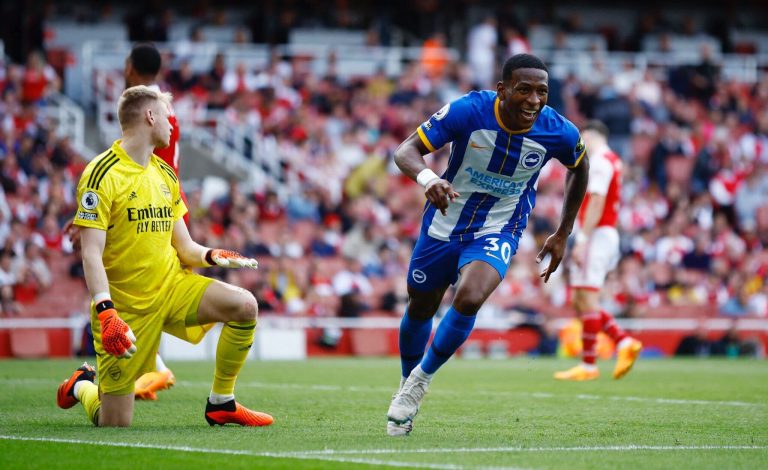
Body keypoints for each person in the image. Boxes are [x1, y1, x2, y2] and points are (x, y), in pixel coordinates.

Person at [386, 53, 589, 436]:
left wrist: (563, 232)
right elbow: (405, 150)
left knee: (470, 296)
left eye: (542, 92)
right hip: (444, 224)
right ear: (502, 89)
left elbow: (580, 168)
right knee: (421, 305)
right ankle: (405, 380)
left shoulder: (558, 131)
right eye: (524, 89)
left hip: (500, 228)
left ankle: (418, 384)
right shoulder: (469, 111)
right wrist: (429, 179)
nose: (533, 100)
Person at [56, 85, 273, 427]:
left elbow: (186, 249)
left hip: (171, 288)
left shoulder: (165, 173)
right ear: (150, 116)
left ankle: (222, 403)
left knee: (245, 305)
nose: (173, 125)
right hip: (126, 310)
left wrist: (214, 255)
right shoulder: (100, 173)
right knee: (114, 423)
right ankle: (83, 385)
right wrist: (106, 311)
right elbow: (91, 253)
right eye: (168, 116)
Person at [66, 43, 185, 400]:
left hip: (150, 207)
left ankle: (147, 368)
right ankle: (146, 369)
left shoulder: (143, 111)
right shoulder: (162, 108)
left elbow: (133, 167)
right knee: (143, 289)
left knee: (138, 287)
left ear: (130, 68)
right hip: (160, 204)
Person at [554, 120, 643, 381]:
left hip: (597, 234)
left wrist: (582, 239)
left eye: (584, 138)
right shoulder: (614, 160)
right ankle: (623, 342)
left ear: (592, 136)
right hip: (604, 234)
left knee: (587, 298)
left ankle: (590, 364)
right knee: (581, 299)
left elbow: (596, 199)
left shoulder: (601, 162)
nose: (581, 144)